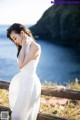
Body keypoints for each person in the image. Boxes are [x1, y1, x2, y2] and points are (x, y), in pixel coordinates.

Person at [7, 23, 41, 120]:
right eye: (13, 40)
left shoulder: (35, 47)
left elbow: (21, 65)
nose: (15, 42)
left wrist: (25, 46)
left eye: (15, 38)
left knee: (22, 116)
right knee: (17, 115)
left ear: (22, 33)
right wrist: (24, 46)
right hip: (22, 84)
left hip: (30, 85)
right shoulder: (23, 47)